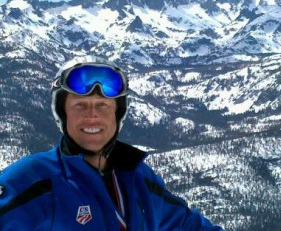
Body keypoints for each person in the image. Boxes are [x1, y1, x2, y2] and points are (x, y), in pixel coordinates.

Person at [0, 55, 224, 230]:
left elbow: (187, 225)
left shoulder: (138, 178)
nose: (92, 116)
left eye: (103, 105)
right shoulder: (32, 181)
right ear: (62, 113)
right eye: (80, 105)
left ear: (118, 114)